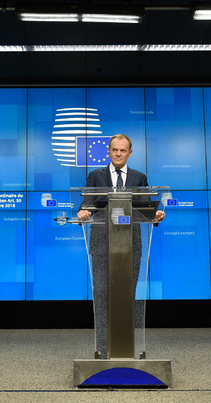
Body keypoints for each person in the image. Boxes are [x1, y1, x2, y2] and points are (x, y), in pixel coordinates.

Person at [77, 134, 164, 358]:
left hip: (130, 247)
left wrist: (155, 216)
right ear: (108, 151)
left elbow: (146, 211)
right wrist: (84, 212)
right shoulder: (95, 176)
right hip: (101, 244)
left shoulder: (139, 177)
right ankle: (104, 349)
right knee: (102, 293)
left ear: (130, 153)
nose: (118, 154)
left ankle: (126, 348)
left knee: (127, 294)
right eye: (114, 150)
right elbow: (87, 204)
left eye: (123, 151)